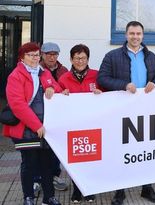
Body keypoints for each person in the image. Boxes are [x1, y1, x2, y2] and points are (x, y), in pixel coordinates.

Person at [97, 21, 155, 205]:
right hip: (122, 111)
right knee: (122, 151)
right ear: (126, 35)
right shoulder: (112, 55)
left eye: (138, 33)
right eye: (132, 33)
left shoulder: (151, 56)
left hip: (145, 110)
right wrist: (123, 85)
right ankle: (120, 191)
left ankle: (146, 188)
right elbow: (102, 78)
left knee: (146, 150)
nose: (135, 37)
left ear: (142, 35)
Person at [4, 42, 63, 205]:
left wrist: (52, 88)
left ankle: (49, 197)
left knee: (47, 164)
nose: (35, 58)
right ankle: (28, 197)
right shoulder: (15, 76)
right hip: (27, 129)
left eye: (37, 55)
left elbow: (57, 88)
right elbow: (18, 105)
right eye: (31, 55)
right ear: (22, 57)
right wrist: (36, 125)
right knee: (29, 164)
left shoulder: (43, 73)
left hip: (45, 128)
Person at [58, 44, 101, 203]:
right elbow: (56, 100)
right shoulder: (64, 78)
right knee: (75, 159)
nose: (80, 61)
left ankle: (89, 189)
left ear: (88, 59)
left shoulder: (96, 76)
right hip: (73, 126)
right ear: (71, 59)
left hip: (92, 125)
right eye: (77, 58)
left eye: (83, 58)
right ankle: (77, 190)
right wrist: (61, 95)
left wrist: (100, 93)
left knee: (92, 158)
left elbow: (109, 96)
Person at [39, 42, 68, 192]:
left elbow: (66, 88)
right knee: (38, 148)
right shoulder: (36, 69)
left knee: (56, 147)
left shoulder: (63, 70)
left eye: (55, 54)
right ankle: (36, 179)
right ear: (42, 55)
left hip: (57, 116)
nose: (52, 57)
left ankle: (54, 175)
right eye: (49, 54)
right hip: (39, 115)